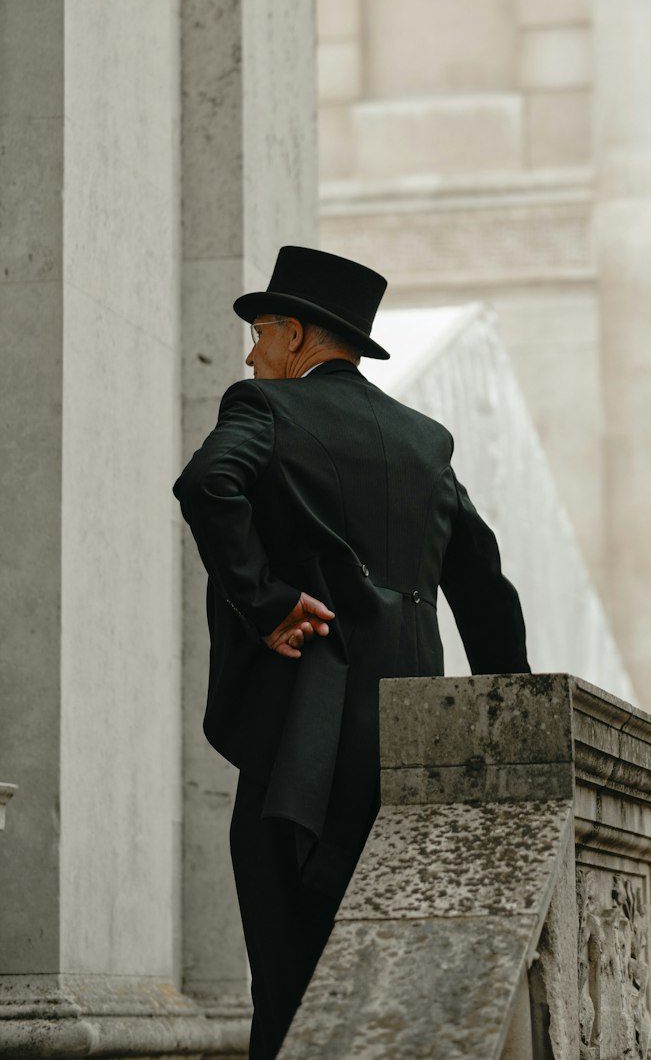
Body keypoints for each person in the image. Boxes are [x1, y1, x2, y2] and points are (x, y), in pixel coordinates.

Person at [173, 245, 530, 1060]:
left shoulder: (263, 410)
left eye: (262, 331)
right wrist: (506, 725)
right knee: (387, 994)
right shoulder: (425, 442)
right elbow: (486, 591)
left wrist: (265, 602)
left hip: (300, 752)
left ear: (297, 335)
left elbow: (207, 486)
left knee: (291, 992)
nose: (253, 352)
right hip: (410, 757)